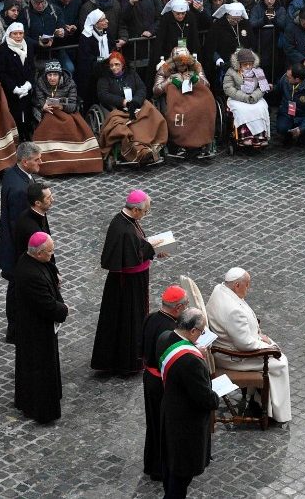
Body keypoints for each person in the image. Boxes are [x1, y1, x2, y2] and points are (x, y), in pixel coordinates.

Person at [205, 267, 291, 423]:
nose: (249, 288)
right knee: (280, 362)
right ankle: (272, 410)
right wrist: (268, 347)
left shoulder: (220, 289)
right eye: (247, 284)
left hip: (228, 347)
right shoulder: (233, 311)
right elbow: (244, 344)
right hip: (233, 357)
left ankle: (258, 398)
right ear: (237, 285)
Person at [91, 190, 162, 374]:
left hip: (130, 281)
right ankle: (127, 362)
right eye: (145, 211)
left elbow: (137, 248)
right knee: (129, 320)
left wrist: (152, 249)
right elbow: (133, 257)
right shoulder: (124, 229)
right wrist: (152, 249)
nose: (145, 215)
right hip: (129, 285)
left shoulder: (126, 221)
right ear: (136, 210)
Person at [156, 307, 219, 498]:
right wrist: (216, 396)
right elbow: (205, 399)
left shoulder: (164, 338)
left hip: (169, 412)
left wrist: (193, 349)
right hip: (186, 425)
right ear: (192, 331)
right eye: (201, 332)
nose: (202, 336)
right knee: (181, 476)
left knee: (170, 467)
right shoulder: (191, 361)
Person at [12, 232, 69, 424]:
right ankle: (42, 409)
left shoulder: (28, 261)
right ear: (38, 253)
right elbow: (46, 304)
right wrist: (64, 309)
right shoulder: (31, 275)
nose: (52, 255)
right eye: (50, 251)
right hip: (36, 330)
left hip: (33, 325)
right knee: (40, 369)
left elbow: (49, 271)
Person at [0, 142, 42, 342]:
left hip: (12, 246)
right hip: (18, 250)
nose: (41, 162)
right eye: (37, 160)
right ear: (25, 161)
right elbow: (20, 226)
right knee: (16, 289)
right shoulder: (20, 191)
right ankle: (15, 330)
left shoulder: (12, 174)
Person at [141, 285, 187, 481]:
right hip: (162, 383)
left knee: (153, 424)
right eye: (186, 305)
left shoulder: (151, 317)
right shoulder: (171, 331)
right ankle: (161, 468)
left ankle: (152, 464)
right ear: (177, 308)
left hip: (149, 378)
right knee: (164, 426)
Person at [0, 22, 37, 141]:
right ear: (9, 34)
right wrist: (14, 88)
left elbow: (32, 68)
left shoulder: (28, 46)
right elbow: (1, 72)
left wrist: (28, 84)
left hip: (25, 88)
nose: (18, 36)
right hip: (10, 90)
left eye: (20, 33)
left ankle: (26, 136)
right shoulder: (2, 50)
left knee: (27, 113)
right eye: (15, 34)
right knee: (14, 114)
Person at [222, 48, 271, 148]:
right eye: (245, 64)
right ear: (239, 64)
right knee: (242, 110)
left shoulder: (258, 71)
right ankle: (245, 136)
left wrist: (254, 97)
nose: (248, 66)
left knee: (261, 107)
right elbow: (228, 88)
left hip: (254, 97)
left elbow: (262, 87)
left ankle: (260, 136)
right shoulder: (231, 72)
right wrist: (245, 97)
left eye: (250, 63)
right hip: (237, 98)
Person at [274, 62, 305, 146]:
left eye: (289, 77)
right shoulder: (285, 79)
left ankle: (301, 135)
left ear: (297, 79)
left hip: (304, 116)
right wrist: (270, 88)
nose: (286, 78)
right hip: (287, 113)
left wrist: (301, 129)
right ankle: (288, 136)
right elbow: (277, 90)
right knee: (282, 128)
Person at [13, 181, 54, 263]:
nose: (52, 200)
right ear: (38, 203)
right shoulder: (31, 229)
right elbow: (41, 256)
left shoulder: (39, 213)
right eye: (48, 198)